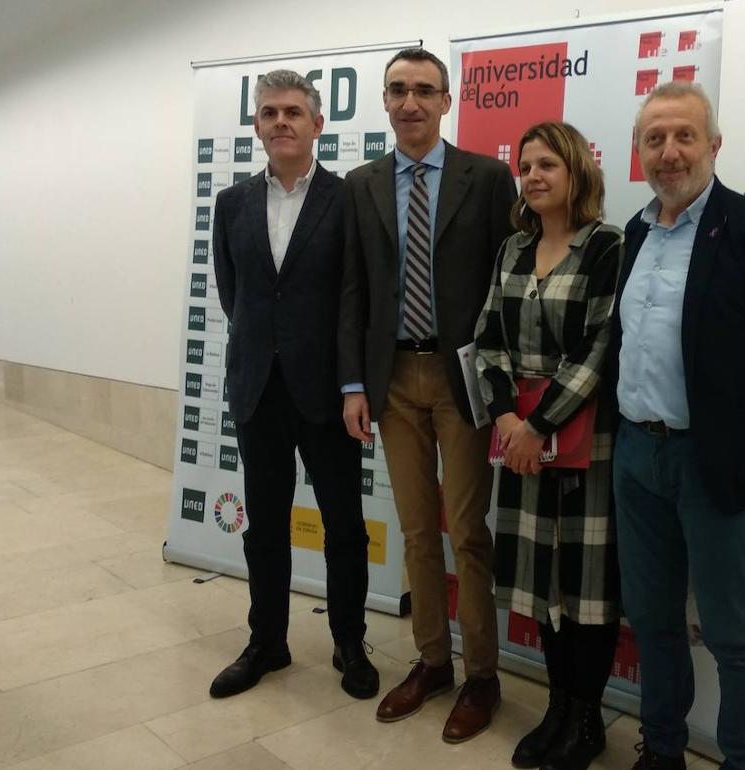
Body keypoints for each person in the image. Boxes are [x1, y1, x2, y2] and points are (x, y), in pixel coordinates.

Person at [610, 81, 745, 770]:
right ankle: (663, 749)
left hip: (713, 463)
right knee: (654, 621)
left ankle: (744, 763)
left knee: (731, 633)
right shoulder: (635, 232)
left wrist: (740, 435)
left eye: (683, 136)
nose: (669, 153)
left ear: (714, 145)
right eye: (654, 139)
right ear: (639, 152)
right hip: (637, 456)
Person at [337, 48, 516, 742]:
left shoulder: (489, 177)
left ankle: (482, 676)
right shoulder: (362, 185)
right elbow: (353, 288)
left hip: (461, 380)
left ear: (448, 101)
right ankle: (433, 661)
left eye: (424, 91)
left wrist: (503, 387)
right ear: (384, 101)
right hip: (391, 382)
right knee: (416, 532)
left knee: (467, 533)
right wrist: (354, 382)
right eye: (397, 91)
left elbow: (507, 284)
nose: (410, 102)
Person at [209, 69, 377, 700]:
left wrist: (350, 380)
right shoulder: (231, 204)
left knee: (344, 525)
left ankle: (347, 642)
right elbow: (236, 295)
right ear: (257, 125)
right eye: (270, 112)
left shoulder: (348, 198)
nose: (281, 122)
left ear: (317, 124)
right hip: (257, 388)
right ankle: (267, 642)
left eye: (294, 112)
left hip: (329, 391)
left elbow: (354, 296)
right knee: (266, 524)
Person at [474, 122, 623, 770]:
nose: (533, 176)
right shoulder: (512, 248)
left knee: (585, 587)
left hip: (587, 443)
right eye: (525, 165)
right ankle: (558, 707)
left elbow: (600, 347)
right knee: (543, 584)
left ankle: (587, 721)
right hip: (521, 443)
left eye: (548, 165)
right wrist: (507, 419)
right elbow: (487, 340)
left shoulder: (606, 247)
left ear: (576, 173)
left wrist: (539, 426)